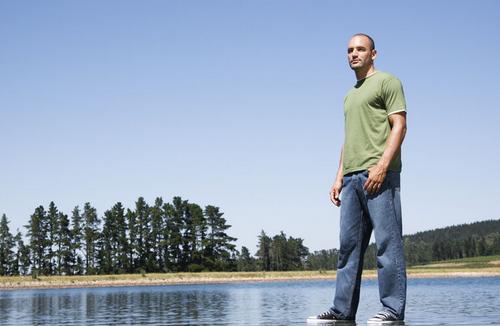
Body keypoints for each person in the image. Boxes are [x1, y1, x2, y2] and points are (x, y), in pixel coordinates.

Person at [308, 33, 408, 324]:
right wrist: (338, 177)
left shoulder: (388, 82)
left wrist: (382, 166)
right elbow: (348, 139)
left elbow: (399, 125)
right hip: (351, 179)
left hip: (378, 175)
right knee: (348, 248)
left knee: (388, 245)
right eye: (350, 50)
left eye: (360, 49)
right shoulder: (349, 95)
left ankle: (392, 310)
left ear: (373, 54)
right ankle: (342, 311)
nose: (354, 54)